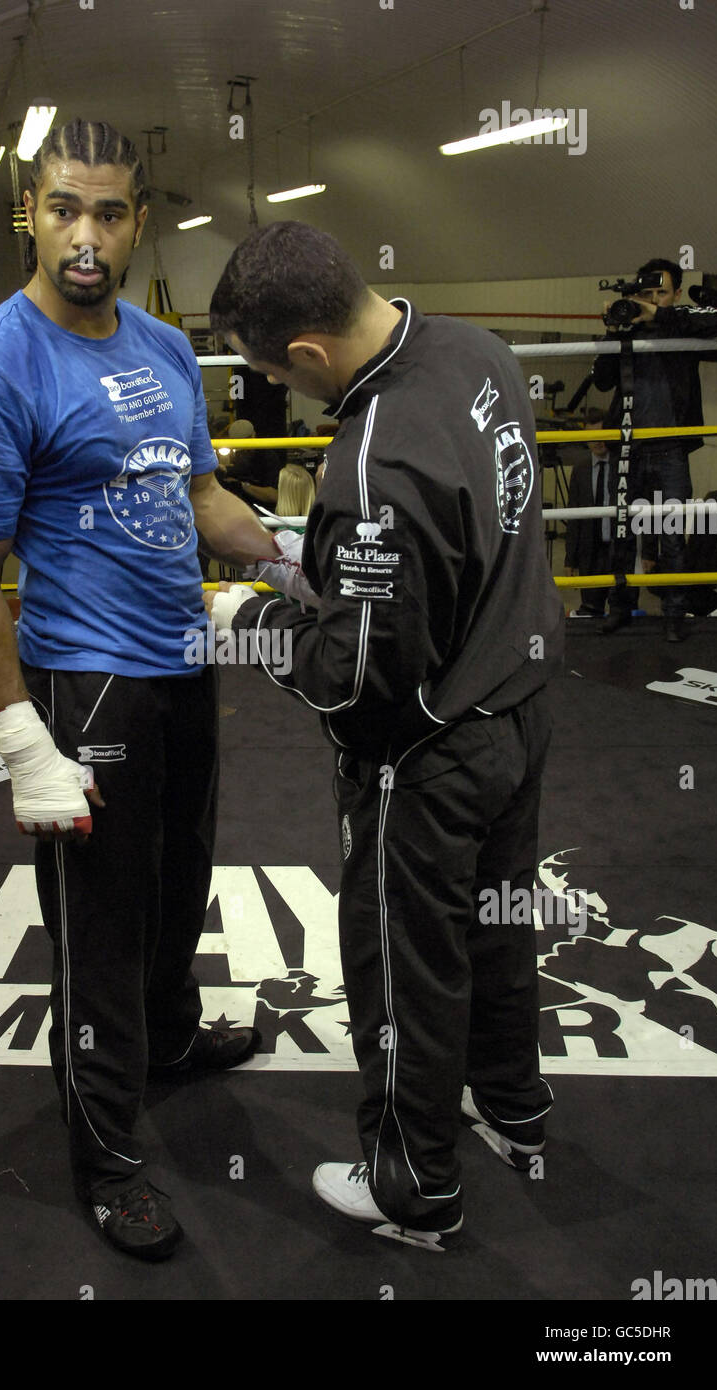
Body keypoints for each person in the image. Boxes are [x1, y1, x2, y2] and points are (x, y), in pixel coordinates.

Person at [0, 117, 282, 1262]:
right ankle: (108, 1156)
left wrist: (285, 557)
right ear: (30, 212)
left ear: (138, 222)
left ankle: (169, 1040)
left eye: (110, 213)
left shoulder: (165, 347)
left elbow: (200, 495)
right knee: (101, 926)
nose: (86, 236)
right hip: (87, 683)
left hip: (183, 666)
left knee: (181, 882)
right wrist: (19, 737)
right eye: (64, 209)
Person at [205, 221, 564, 1252]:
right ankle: (514, 1107)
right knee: (497, 924)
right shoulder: (478, 350)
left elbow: (356, 678)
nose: (277, 386)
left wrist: (250, 618)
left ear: (307, 350)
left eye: (276, 372)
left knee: (406, 963)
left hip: (429, 754)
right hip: (519, 698)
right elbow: (470, 531)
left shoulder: (372, 461)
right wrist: (317, 563)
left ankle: (414, 1186)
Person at [592, 258, 717, 641]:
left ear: (676, 294)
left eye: (660, 293)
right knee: (623, 534)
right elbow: (602, 381)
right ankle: (619, 608)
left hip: (670, 450)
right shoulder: (628, 328)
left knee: (671, 537)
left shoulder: (682, 325)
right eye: (645, 294)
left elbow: (715, 322)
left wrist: (658, 315)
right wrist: (614, 330)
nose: (651, 300)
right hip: (628, 448)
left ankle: (674, 614)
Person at [564, 408, 612, 617]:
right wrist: (570, 559)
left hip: (618, 549)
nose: (598, 441)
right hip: (590, 551)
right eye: (592, 436)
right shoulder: (580, 468)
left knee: (623, 609)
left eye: (602, 434)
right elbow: (574, 516)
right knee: (591, 610)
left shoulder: (622, 464)